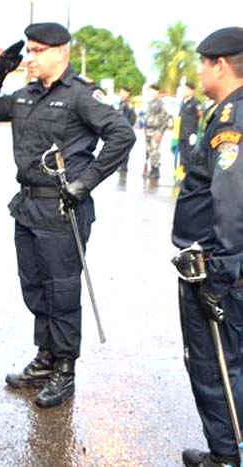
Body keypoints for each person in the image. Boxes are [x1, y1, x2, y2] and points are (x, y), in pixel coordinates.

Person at [0, 22, 135, 408]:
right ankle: (45, 357)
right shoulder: (26, 95)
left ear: (61, 53)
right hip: (28, 205)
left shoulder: (81, 95)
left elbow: (122, 135)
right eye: (26, 51)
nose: (28, 58)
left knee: (62, 292)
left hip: (63, 208)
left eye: (35, 51)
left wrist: (85, 182)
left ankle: (65, 368)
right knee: (35, 287)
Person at [172, 26, 243, 467]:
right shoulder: (225, 112)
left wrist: (222, 266)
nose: (200, 70)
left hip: (217, 265)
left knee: (216, 365)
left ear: (220, 64)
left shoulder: (231, 120)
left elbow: (231, 197)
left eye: (204, 62)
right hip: (224, 260)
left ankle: (227, 455)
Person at [143, 84, 170, 180]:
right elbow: (146, 118)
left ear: (157, 92)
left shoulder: (160, 104)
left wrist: (160, 131)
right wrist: (145, 129)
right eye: (150, 91)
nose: (152, 93)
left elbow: (165, 118)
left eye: (153, 91)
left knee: (155, 151)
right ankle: (151, 169)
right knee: (149, 151)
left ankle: (156, 170)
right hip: (148, 130)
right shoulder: (149, 103)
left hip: (156, 130)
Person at [178, 82, 202, 172]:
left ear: (192, 91)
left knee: (189, 156)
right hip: (182, 133)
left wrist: (197, 133)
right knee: (183, 156)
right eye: (184, 89)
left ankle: (189, 175)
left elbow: (201, 117)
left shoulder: (196, 103)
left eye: (187, 89)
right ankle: (182, 174)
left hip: (191, 134)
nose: (185, 91)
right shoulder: (183, 102)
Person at [117, 86, 137, 174]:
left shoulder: (129, 104)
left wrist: (128, 126)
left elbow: (133, 117)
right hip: (119, 128)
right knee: (119, 147)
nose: (121, 94)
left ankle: (124, 166)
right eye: (120, 92)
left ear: (127, 93)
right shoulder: (121, 103)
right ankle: (121, 165)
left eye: (123, 92)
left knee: (124, 148)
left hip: (125, 129)